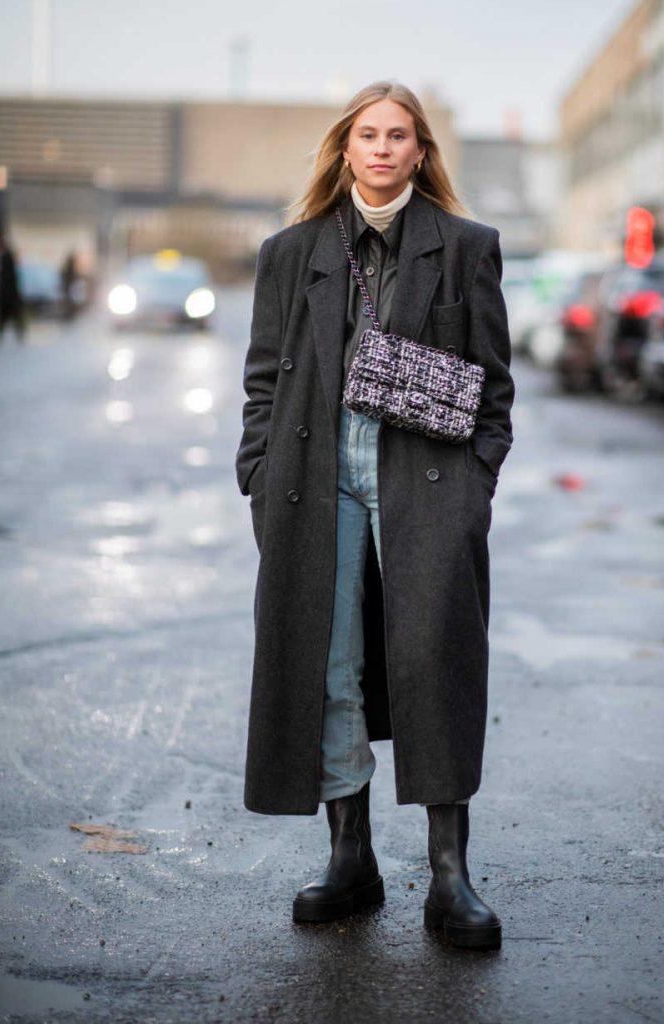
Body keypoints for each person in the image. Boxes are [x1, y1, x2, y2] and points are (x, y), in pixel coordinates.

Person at [236, 81, 514, 950]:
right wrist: (256, 469)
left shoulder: (467, 247)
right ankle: (350, 857)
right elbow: (262, 375)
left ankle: (449, 876)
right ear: (346, 148)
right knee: (331, 662)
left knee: (435, 657)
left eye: (400, 136)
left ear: (422, 152)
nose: (384, 149)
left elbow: (494, 387)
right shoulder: (293, 251)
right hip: (313, 480)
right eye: (369, 135)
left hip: (425, 482)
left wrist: (476, 482)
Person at [0, 234, 25, 342]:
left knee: (10, 317)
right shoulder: (5, 256)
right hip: (9, 295)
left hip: (8, 296)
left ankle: (18, 334)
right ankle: (3, 335)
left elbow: (7, 278)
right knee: (7, 318)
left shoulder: (6, 257)